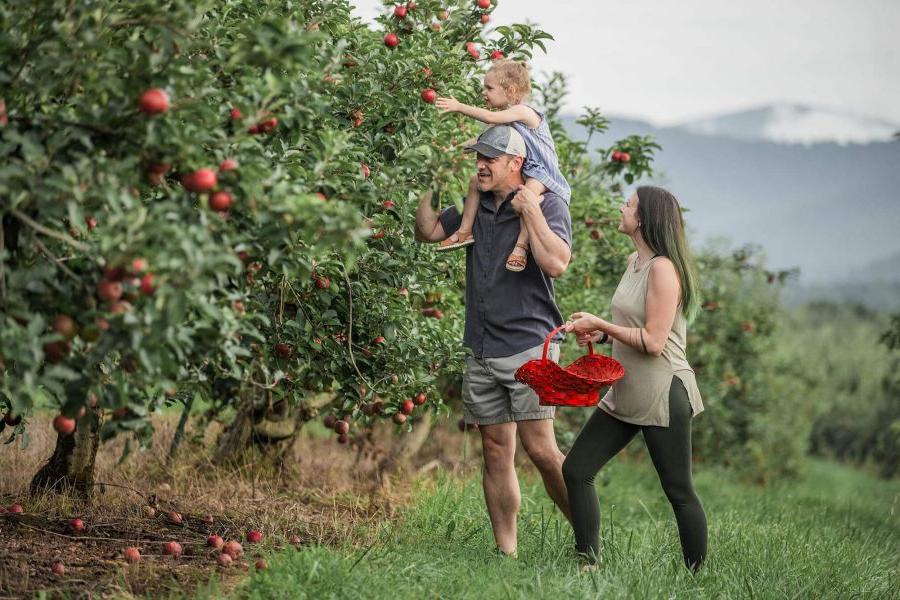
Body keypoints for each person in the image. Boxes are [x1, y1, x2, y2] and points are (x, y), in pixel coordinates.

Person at [414, 124, 573, 557]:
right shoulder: (476, 204)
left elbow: (558, 263)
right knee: (495, 448)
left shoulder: (548, 203)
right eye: (478, 158)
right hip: (482, 345)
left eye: (490, 159)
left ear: (516, 163)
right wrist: (426, 181)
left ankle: (587, 536)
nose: (480, 166)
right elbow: (427, 232)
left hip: (530, 343)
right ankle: (507, 554)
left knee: (541, 449)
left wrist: (530, 212)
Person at [563, 186, 708, 572]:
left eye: (628, 204)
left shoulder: (663, 268)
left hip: (663, 390)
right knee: (576, 470)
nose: (621, 207)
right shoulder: (636, 261)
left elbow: (654, 341)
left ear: (643, 219)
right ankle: (587, 565)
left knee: (678, 490)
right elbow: (635, 326)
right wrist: (603, 335)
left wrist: (600, 322)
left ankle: (697, 577)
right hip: (627, 388)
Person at [434, 59, 571, 272]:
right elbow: (480, 141)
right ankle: (464, 231)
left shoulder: (524, 112)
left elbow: (490, 115)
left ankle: (521, 247)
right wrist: (451, 152)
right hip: (524, 169)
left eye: (489, 88)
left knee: (527, 199)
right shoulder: (505, 120)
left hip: (543, 173)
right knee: (473, 183)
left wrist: (459, 107)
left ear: (510, 90)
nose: (484, 93)